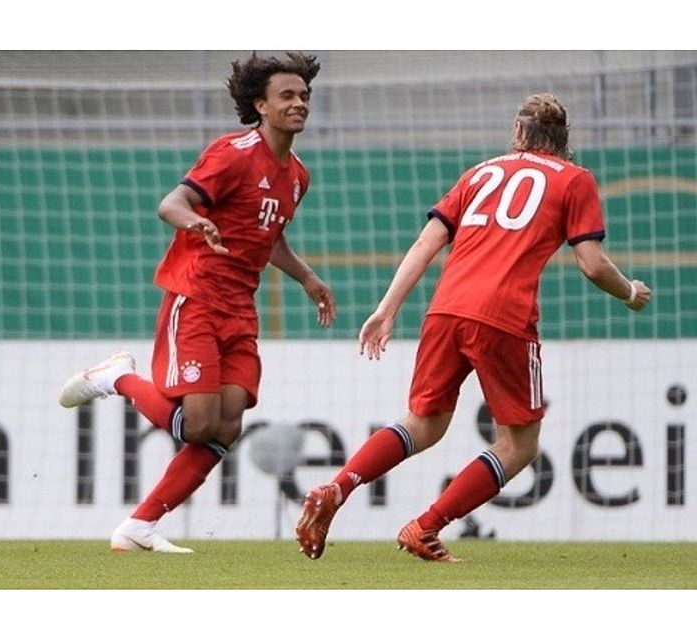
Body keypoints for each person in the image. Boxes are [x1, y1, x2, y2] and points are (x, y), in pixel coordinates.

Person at [295, 92, 652, 562]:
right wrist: (629, 292)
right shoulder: (575, 179)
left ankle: (338, 488)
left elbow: (427, 243)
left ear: (519, 133)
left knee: (423, 423)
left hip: (445, 310)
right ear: (563, 139)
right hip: (505, 317)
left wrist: (386, 309)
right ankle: (426, 527)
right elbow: (591, 263)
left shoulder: (480, 173)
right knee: (519, 445)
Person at [59, 52, 336, 553]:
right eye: (287, 96)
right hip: (198, 296)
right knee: (200, 424)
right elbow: (171, 203)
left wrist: (308, 278)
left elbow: (269, 238)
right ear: (261, 106)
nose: (299, 104)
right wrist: (196, 222)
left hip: (240, 307)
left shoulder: (298, 175)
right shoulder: (232, 152)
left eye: (304, 96)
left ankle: (138, 527)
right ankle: (115, 377)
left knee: (226, 428)